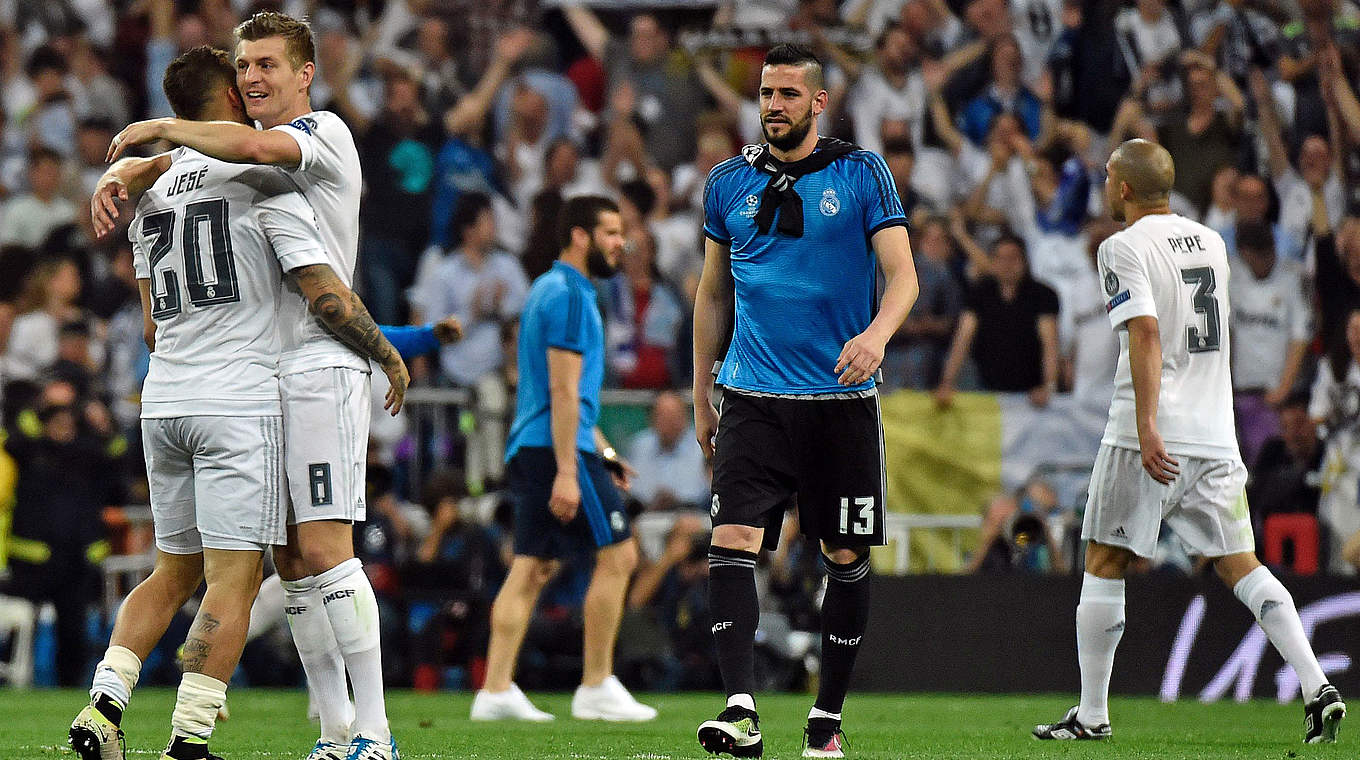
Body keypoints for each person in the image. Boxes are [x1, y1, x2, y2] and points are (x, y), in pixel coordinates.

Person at [67, 46, 407, 760]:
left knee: (173, 570)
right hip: (240, 399)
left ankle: (104, 705)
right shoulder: (260, 182)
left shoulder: (148, 199)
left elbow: (153, 327)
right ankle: (190, 737)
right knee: (236, 577)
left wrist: (134, 163)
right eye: (244, 77)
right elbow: (323, 291)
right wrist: (384, 351)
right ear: (228, 94)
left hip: (163, 402)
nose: (254, 87)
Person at [1032, 139, 1344, 743]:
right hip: (1215, 434)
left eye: (1107, 176)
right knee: (1240, 564)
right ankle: (1315, 684)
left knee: (1103, 560)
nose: (1102, 184)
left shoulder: (1119, 247)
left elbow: (1146, 334)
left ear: (1123, 189)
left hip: (1147, 431)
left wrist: (1147, 425)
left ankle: (1092, 716)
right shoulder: (1210, 241)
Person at [693, 44, 918, 759]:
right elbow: (711, 292)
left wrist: (879, 334)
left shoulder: (861, 173)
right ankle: (739, 709)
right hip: (752, 394)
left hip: (839, 400)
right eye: (766, 93)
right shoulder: (727, 182)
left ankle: (825, 720)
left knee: (843, 552)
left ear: (818, 103)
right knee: (731, 539)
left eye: (789, 94)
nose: (773, 106)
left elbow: (904, 275)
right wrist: (702, 386)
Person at [469, 195, 657, 723]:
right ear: (580, 235)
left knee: (531, 566)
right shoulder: (572, 295)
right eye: (612, 233)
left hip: (541, 444)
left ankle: (496, 689)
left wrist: (605, 452)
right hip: (558, 450)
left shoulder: (547, 289)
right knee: (619, 557)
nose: (623, 244)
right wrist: (573, 470)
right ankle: (595, 684)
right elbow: (563, 389)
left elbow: (565, 395)